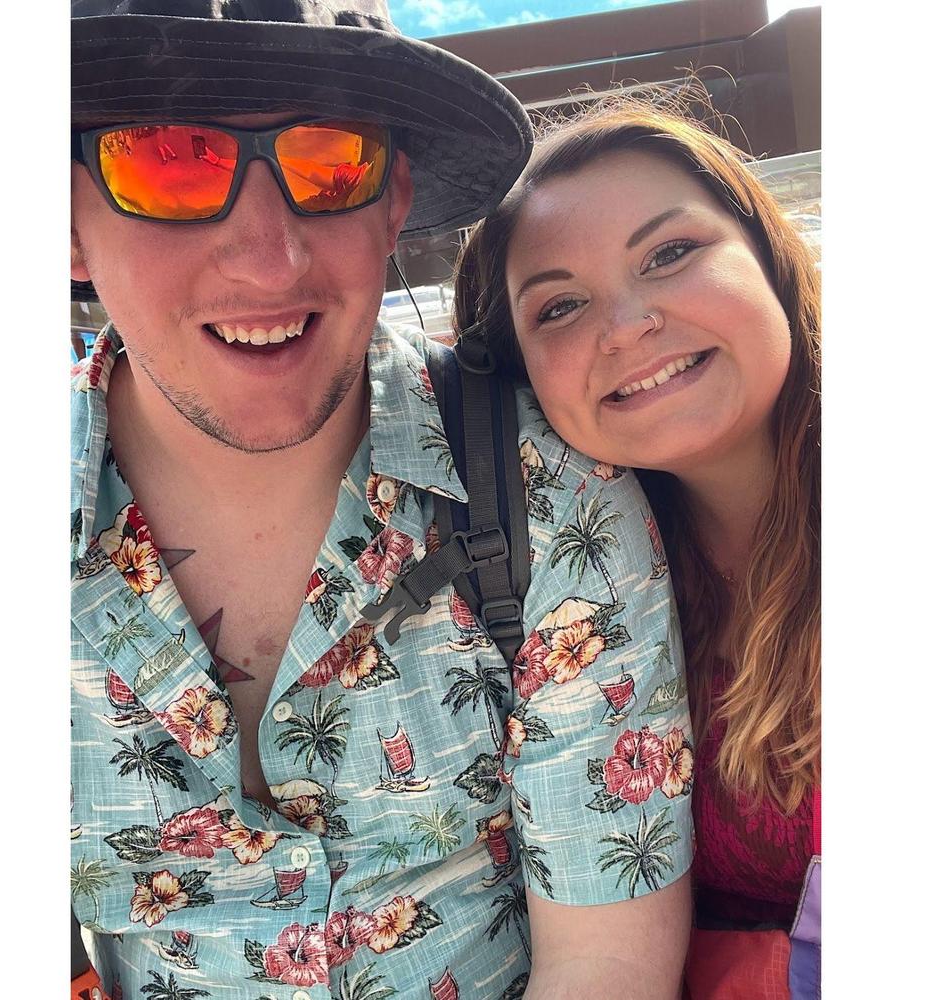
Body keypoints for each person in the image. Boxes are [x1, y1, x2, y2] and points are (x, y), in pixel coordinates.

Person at [70, 4, 695, 999]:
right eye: (171, 166)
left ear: (392, 201)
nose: (271, 259)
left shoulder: (547, 496)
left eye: (331, 163)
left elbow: (605, 961)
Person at [452, 91, 821, 995]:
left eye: (669, 254)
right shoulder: (560, 598)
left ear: (767, 255)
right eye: (559, 308)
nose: (626, 325)